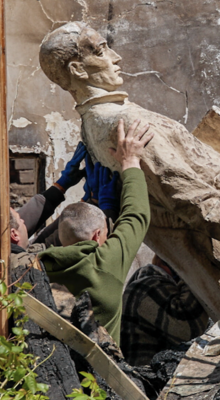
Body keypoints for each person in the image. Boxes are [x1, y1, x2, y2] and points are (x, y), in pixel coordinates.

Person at [37, 22, 220, 331]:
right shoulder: (124, 124)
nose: (116, 57)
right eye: (102, 50)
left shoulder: (94, 126)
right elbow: (197, 204)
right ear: (79, 69)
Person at [38, 119, 154, 341]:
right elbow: (136, 215)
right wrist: (130, 161)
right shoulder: (104, 265)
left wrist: (83, 198)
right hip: (98, 373)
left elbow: (43, 238)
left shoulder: (36, 264)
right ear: (97, 236)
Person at [120, 256, 210, 366]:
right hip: (143, 378)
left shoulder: (150, 284)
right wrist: (189, 274)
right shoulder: (146, 288)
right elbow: (191, 327)